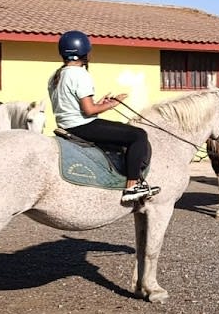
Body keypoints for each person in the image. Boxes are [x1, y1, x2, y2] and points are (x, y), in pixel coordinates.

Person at [48, 30, 159, 204]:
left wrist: (100, 103)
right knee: (138, 135)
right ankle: (132, 187)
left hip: (66, 125)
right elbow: (89, 111)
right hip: (83, 126)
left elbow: (78, 107)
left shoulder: (56, 76)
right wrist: (112, 104)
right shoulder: (80, 74)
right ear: (84, 52)